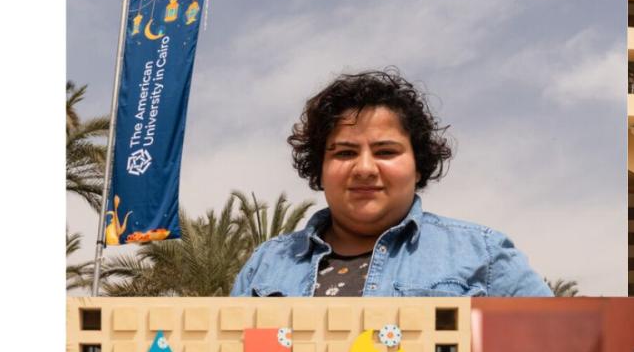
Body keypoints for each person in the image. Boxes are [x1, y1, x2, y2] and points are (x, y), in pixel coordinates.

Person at [231, 69, 551, 297]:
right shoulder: (267, 264)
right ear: (320, 167)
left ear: (419, 166)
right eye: (345, 152)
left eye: (386, 151)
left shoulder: (484, 255)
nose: (365, 168)